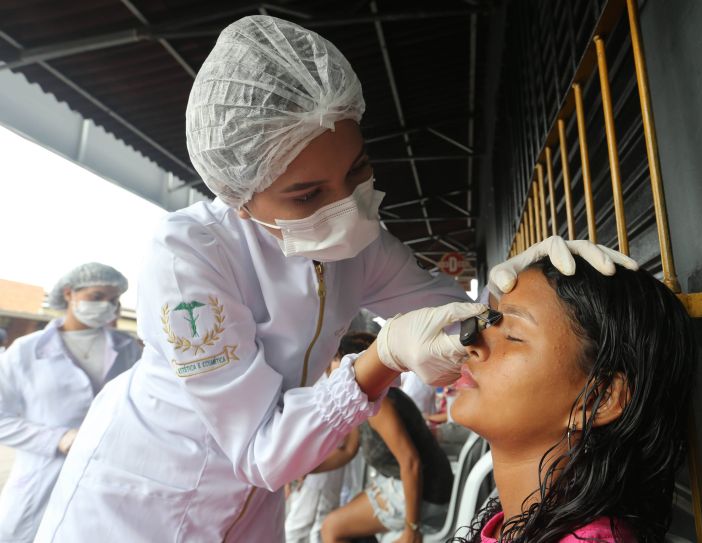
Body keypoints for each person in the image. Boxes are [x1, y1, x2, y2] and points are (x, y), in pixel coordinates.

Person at [35, 16, 634, 542]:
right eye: (306, 194)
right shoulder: (190, 254)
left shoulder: (357, 248)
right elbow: (261, 452)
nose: (347, 205)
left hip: (252, 513)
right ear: (240, 198)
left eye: (358, 169)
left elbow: (459, 319)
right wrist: (381, 359)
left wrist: (526, 280)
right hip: (141, 501)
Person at [450, 259, 697, 542]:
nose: (471, 343)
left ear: (598, 398)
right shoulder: (510, 523)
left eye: (513, 336)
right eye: (488, 323)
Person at [0, 263, 141, 543]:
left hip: (110, 478)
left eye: (113, 300)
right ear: (69, 294)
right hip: (41, 480)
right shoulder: (26, 350)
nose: (106, 305)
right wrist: (60, 438)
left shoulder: (130, 349)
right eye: (97, 296)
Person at [320, 389, 453, 543]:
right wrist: (301, 469)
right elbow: (348, 451)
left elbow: (411, 463)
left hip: (426, 490)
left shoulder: (380, 405)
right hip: (408, 481)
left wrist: (412, 529)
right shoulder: (364, 400)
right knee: (345, 518)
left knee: (331, 528)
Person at [284, 332, 375, 543]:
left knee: (309, 524)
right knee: (305, 523)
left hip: (323, 464)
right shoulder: (324, 384)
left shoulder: (336, 386)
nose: (336, 364)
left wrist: (301, 467)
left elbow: (348, 448)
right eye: (335, 359)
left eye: (339, 359)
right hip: (317, 464)